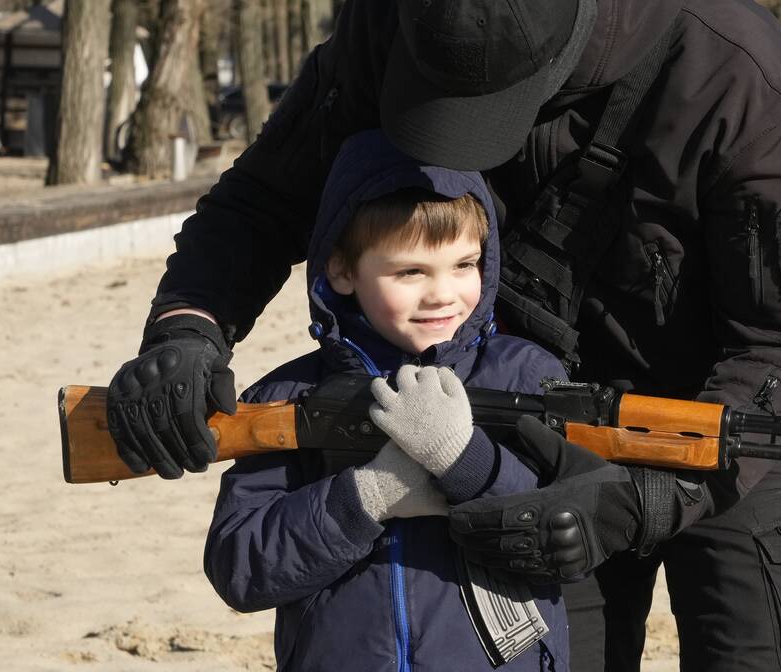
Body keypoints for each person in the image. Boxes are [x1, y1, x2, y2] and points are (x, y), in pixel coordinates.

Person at [108, 0, 781, 670]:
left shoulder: (733, 69)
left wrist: (648, 496)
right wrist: (187, 330)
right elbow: (265, 197)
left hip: (727, 421)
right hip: (515, 414)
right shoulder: (398, 12)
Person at [203, 128, 570, 670]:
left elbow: (569, 542)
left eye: (464, 264)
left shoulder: (528, 376)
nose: (443, 293)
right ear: (342, 269)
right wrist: (370, 495)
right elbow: (241, 568)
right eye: (410, 271)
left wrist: (466, 464)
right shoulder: (287, 400)